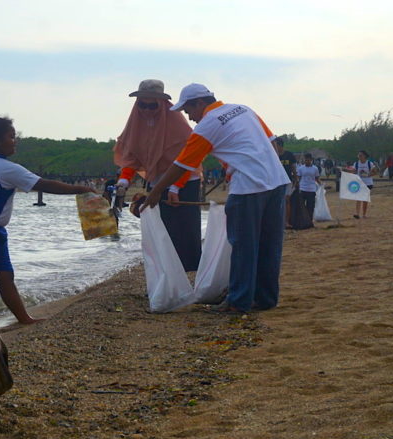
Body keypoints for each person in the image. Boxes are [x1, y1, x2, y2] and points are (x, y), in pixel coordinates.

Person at [141, 83, 290, 314]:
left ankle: (238, 302)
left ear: (200, 103)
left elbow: (182, 164)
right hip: (277, 182)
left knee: (243, 247)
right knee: (269, 246)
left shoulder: (207, 125)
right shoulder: (244, 109)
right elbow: (273, 144)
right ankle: (266, 298)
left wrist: (155, 192)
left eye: (189, 110)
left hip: (248, 188)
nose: (190, 118)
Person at [0, 117, 95, 323]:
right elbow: (44, 185)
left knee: (5, 277)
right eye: (11, 137)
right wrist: (79, 189)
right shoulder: (3, 168)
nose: (15, 141)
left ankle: (24, 318)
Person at [114, 79, 201, 271]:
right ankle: (166, 273)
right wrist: (124, 180)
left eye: (151, 105)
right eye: (141, 105)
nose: (146, 110)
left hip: (184, 183)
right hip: (156, 184)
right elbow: (131, 155)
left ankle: (191, 272)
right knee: (161, 230)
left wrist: (176, 187)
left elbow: (190, 158)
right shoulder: (136, 123)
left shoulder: (176, 122)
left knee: (185, 230)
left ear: (161, 103)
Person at [273, 137, 297, 229]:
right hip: (276, 181)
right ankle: (278, 222)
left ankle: (286, 222)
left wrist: (296, 180)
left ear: (279, 145)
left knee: (287, 201)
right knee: (276, 202)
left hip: (287, 181)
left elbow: (293, 168)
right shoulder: (273, 156)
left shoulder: (289, 155)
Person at [296, 153, 322, 221]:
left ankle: (310, 220)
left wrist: (321, 185)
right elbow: (298, 178)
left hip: (311, 190)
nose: (307, 161)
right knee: (301, 206)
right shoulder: (301, 168)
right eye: (306, 160)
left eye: (308, 160)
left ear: (311, 160)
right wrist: (296, 184)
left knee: (310, 206)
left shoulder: (315, 168)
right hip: (302, 189)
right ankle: (302, 220)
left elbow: (317, 178)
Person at [353, 150, 376, 219]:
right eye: (358, 155)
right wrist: (344, 170)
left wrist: (368, 175)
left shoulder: (369, 163)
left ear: (364, 156)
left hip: (368, 183)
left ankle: (364, 214)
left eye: (360, 155)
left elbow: (375, 172)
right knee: (358, 198)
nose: (359, 157)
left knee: (365, 199)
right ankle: (357, 213)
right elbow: (353, 171)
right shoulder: (356, 164)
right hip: (359, 183)